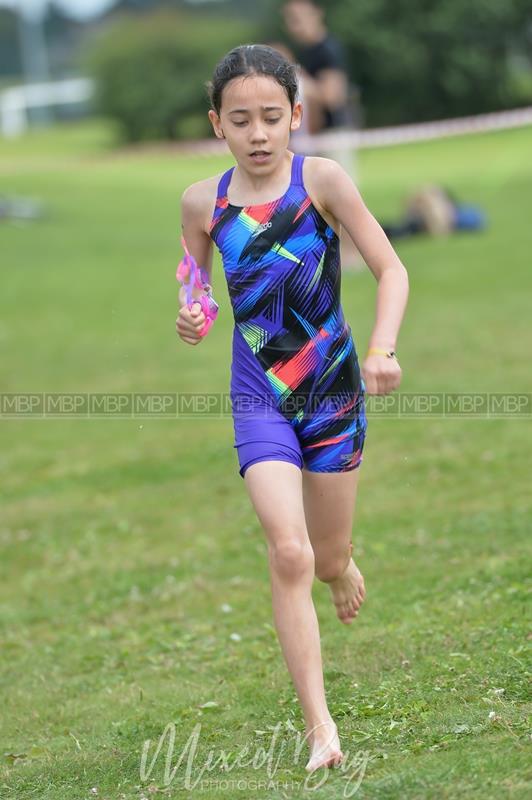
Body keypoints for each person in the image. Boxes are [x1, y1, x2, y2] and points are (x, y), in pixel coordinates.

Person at [175, 44, 409, 773]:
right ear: (218, 123)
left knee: (327, 554)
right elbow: (197, 286)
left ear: (296, 117)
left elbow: (392, 267)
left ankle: (342, 567)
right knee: (288, 551)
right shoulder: (200, 204)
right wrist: (193, 311)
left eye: (272, 117)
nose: (257, 133)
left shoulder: (323, 181)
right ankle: (321, 731)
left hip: (333, 388)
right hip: (259, 394)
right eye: (240, 119)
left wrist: (383, 347)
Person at [281, 0, 363, 269]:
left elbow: (332, 96)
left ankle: (355, 255)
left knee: (346, 197)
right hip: (315, 138)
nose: (294, 24)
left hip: (334, 134)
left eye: (298, 17)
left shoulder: (327, 49)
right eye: (290, 18)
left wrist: (298, 75)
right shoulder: (306, 52)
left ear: (316, 14)